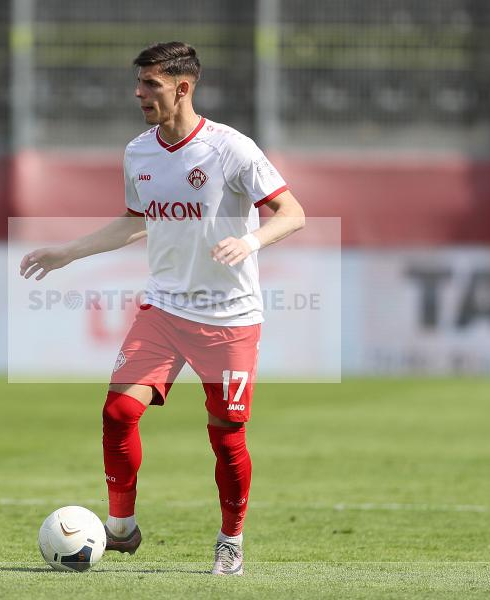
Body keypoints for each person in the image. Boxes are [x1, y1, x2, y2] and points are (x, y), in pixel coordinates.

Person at [20, 41, 305, 576]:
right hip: (165, 308)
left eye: (150, 84)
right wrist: (68, 252)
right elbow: (135, 222)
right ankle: (121, 527)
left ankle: (230, 541)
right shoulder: (139, 152)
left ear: (183, 87)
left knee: (226, 436)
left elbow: (292, 213)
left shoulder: (231, 149)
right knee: (117, 413)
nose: (139, 93)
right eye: (139, 83)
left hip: (229, 316)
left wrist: (250, 242)